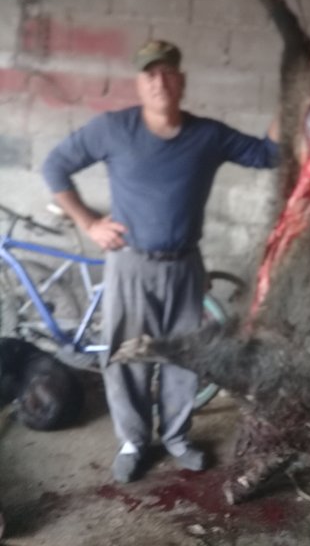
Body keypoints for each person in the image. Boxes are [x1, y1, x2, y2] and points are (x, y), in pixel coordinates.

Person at [42, 39, 279, 484]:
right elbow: (55, 167)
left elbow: (269, 154)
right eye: (150, 74)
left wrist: (292, 102)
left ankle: (176, 437)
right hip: (130, 264)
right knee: (127, 353)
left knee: (185, 356)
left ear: (181, 80)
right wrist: (89, 222)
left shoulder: (207, 135)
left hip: (185, 266)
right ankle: (133, 441)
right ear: (139, 82)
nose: (159, 81)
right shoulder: (113, 129)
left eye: (167, 72)